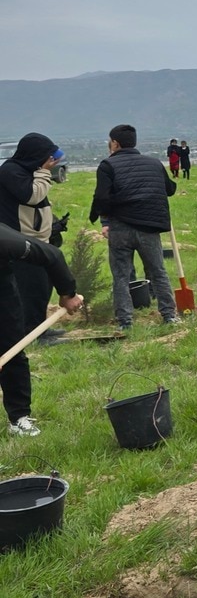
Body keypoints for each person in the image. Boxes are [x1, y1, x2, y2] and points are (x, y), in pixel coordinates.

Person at [89, 124, 179, 329]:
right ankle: (169, 316)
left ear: (115, 143)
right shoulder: (154, 164)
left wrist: (99, 215)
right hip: (149, 227)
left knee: (121, 276)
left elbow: (102, 197)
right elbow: (170, 189)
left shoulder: (107, 166)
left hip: (120, 229)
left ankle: (125, 322)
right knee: (158, 272)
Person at [0, 223, 83, 436]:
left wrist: (68, 292)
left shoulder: (6, 241)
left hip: (2, 293)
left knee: (11, 349)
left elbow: (51, 255)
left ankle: (18, 418)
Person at [0, 134, 64, 337]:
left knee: (44, 285)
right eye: (47, 156)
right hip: (23, 239)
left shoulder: (27, 171)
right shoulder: (11, 171)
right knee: (32, 289)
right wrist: (44, 172)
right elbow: (32, 195)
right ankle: (34, 334)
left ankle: (40, 327)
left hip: (37, 238)